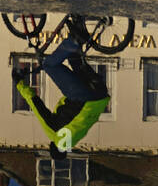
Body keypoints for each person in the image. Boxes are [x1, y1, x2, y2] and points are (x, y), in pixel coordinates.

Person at [14, 27, 111, 159]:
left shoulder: (75, 138)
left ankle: (80, 25)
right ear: (52, 146)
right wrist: (19, 84)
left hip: (100, 94)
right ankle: (74, 39)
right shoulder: (55, 134)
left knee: (73, 57)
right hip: (82, 97)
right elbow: (37, 106)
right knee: (50, 65)